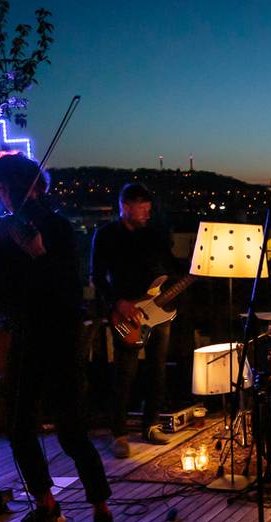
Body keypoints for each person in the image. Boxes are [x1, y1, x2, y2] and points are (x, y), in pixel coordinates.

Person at [0, 153, 117, 522]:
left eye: (3, 189)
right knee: (18, 425)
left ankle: (102, 512)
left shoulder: (58, 229)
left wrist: (39, 255)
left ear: (28, 187)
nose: (0, 198)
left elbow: (68, 290)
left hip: (60, 335)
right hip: (25, 333)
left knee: (71, 430)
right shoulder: (5, 229)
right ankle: (47, 505)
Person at [91, 183, 178, 457]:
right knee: (124, 373)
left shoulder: (154, 235)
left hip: (157, 309)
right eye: (143, 208)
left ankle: (150, 424)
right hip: (126, 312)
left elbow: (170, 267)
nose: (148, 213)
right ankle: (119, 433)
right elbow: (96, 276)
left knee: (158, 369)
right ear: (126, 206)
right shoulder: (105, 235)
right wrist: (119, 302)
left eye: (149, 209)